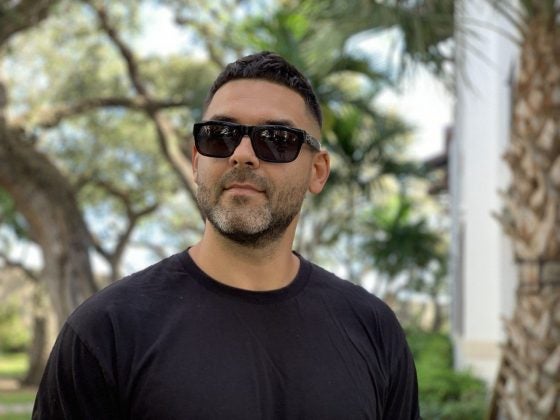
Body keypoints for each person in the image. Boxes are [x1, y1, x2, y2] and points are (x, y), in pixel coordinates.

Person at [33, 51, 420, 419]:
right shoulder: (106, 331)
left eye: (276, 139)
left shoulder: (373, 329)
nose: (242, 154)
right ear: (196, 160)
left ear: (317, 171)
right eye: (220, 135)